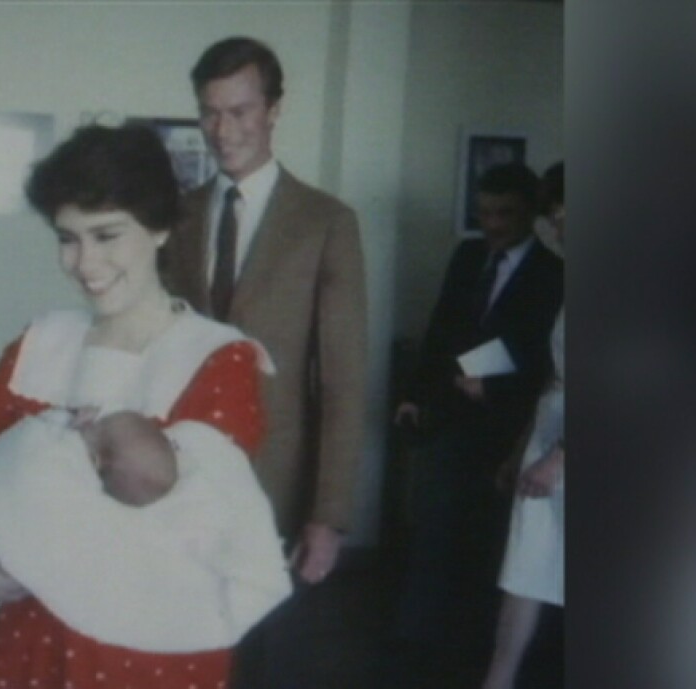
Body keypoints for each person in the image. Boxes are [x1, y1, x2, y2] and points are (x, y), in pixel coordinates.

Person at [0, 123, 290, 689]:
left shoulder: (215, 358)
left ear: (160, 229)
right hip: (30, 644)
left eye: (107, 235)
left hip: (149, 656)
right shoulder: (43, 343)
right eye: (68, 237)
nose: (85, 262)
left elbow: (202, 532)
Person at [161, 35, 368, 686]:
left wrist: (327, 515)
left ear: (274, 110)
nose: (223, 131)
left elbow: (343, 381)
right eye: (210, 112)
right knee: (186, 644)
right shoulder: (179, 216)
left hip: (276, 484)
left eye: (241, 111)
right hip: (182, 474)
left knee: (269, 659)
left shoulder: (325, 222)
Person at [0, 402, 289, 651]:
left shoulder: (65, 471)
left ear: (98, 459)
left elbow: (40, 478)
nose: (89, 422)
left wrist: (60, 422)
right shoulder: (73, 448)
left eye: (97, 427)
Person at [390, 162, 564, 663]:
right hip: (450, 413)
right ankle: (418, 644)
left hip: (509, 422)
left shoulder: (554, 275)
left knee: (492, 542)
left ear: (531, 213)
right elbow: (440, 327)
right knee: (435, 527)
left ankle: (477, 647)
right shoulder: (467, 257)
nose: (491, 224)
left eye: (503, 213)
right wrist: (413, 394)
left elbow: (543, 358)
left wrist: (492, 390)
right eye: (484, 212)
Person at [479, 161, 565, 689]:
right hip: (548, 431)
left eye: (562, 212)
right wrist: (521, 451)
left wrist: (562, 455)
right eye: (552, 214)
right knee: (524, 571)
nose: (556, 225)